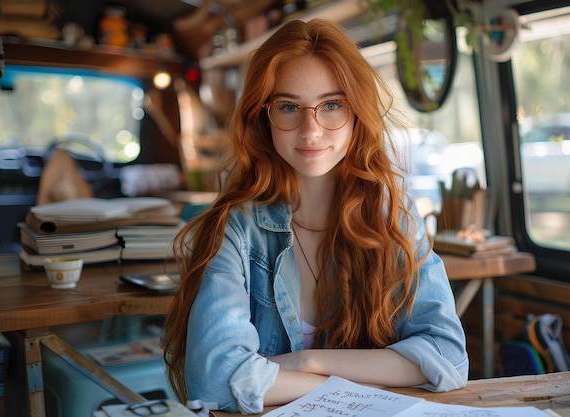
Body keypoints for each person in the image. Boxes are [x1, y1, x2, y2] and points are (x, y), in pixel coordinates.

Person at [162, 18, 468, 414]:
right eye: (289, 107)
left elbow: (449, 357)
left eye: (332, 105)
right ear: (263, 116)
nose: (311, 130)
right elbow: (216, 380)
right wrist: (377, 372)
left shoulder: (394, 215)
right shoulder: (237, 229)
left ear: (358, 112)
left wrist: (306, 363)